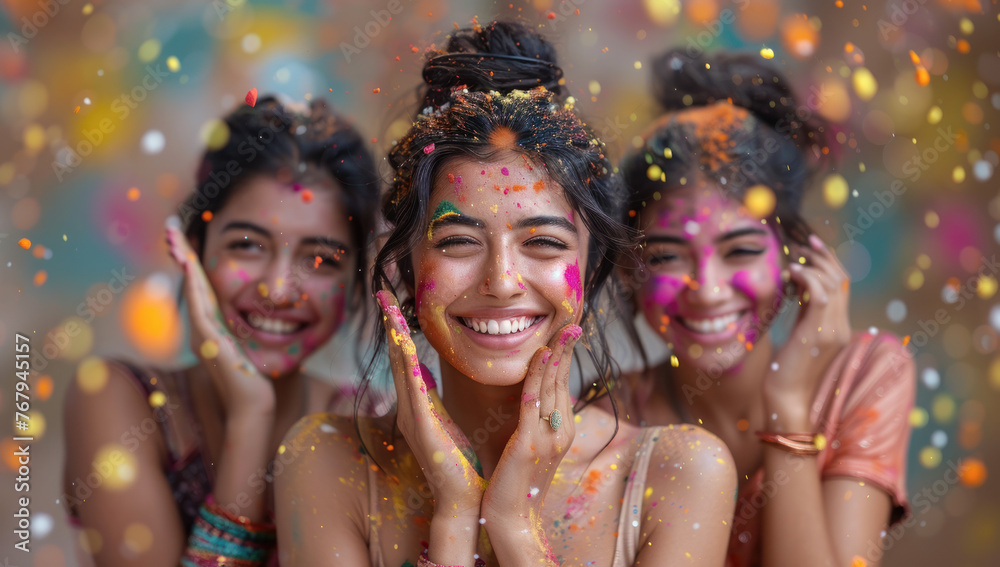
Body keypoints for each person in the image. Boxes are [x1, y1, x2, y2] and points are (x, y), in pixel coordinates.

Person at [275, 21, 737, 567]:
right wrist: (454, 512)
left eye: (542, 242)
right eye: (458, 242)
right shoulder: (327, 462)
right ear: (403, 263)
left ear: (590, 273)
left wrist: (513, 522)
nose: (501, 281)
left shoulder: (682, 473)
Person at [613, 49, 916, 567]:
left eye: (742, 250)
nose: (706, 289)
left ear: (793, 256)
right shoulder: (611, 420)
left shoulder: (867, 376)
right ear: (630, 271)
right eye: (667, 255)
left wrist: (788, 406)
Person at [62, 96, 381, 566]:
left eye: (319, 259)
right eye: (248, 246)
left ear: (355, 281)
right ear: (193, 251)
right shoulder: (118, 401)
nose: (276, 289)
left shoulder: (371, 427)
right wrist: (249, 416)